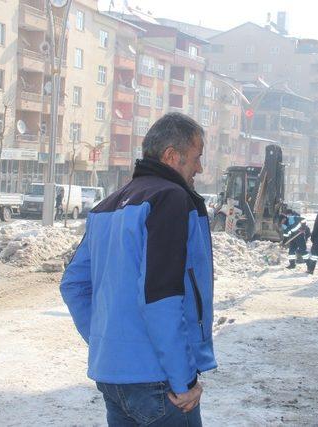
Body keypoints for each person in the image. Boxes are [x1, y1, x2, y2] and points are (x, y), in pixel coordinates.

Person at [60, 113, 216, 426]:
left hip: (114, 378)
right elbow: (162, 296)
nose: (200, 167)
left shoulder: (108, 204)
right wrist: (183, 380)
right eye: (197, 157)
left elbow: (73, 285)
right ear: (172, 156)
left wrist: (111, 344)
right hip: (160, 382)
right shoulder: (170, 199)